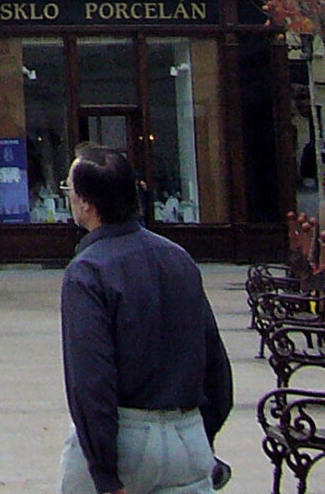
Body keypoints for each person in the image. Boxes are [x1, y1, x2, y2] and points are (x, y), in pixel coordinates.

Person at [58, 142, 233, 494]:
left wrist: (105, 473)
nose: (68, 198)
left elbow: (91, 382)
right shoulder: (178, 259)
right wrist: (200, 434)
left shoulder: (88, 272)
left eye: (69, 190)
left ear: (86, 203)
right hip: (187, 435)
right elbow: (216, 366)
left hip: (127, 438)